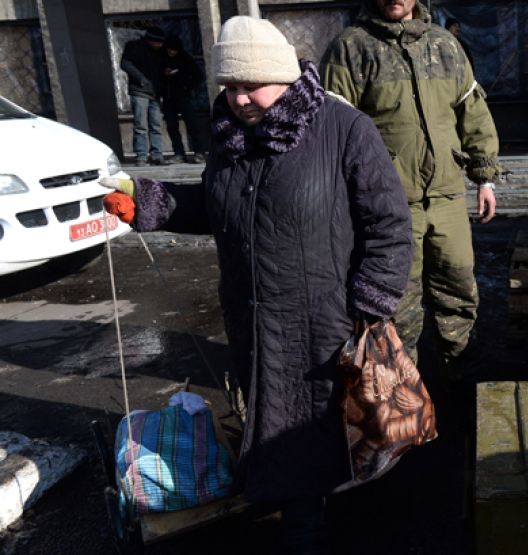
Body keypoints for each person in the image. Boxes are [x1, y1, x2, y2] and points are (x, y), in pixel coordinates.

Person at [100, 16, 413, 551]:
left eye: (251, 85)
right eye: (229, 86)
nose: (239, 99)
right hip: (251, 316)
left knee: (307, 436)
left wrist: (371, 300)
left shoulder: (343, 129)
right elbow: (219, 207)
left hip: (322, 322)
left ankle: (305, 530)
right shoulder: (229, 136)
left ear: (284, 77)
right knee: (272, 425)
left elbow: (389, 223)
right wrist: (150, 202)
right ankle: (290, 503)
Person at [323, 0, 500, 374]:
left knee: (458, 286)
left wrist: (484, 176)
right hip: (388, 204)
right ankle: (404, 390)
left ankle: (460, 374)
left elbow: (472, 111)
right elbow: (333, 128)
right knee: (397, 301)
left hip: (447, 195)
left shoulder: (444, 45)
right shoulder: (351, 47)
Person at [120, 26, 167, 166]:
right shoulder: (134, 47)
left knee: (156, 125)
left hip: (155, 93)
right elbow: (125, 63)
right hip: (139, 91)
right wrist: (141, 79)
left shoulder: (159, 52)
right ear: (150, 40)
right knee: (141, 125)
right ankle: (141, 156)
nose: (160, 45)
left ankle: (157, 155)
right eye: (158, 42)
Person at [161, 35, 207, 164]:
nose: (171, 52)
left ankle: (199, 152)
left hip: (183, 97)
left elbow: (199, 76)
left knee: (192, 126)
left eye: (174, 50)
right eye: (169, 49)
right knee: (172, 126)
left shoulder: (185, 59)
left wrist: (186, 85)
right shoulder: (162, 59)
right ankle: (179, 153)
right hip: (168, 98)